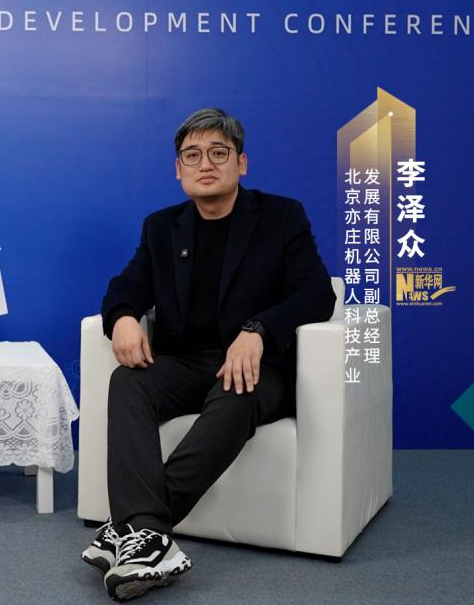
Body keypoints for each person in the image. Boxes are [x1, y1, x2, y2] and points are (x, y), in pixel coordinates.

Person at [83, 108, 336, 601]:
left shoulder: (281, 216)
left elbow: (315, 293)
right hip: (185, 363)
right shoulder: (161, 227)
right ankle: (149, 535)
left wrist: (258, 331)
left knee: (236, 389)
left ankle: (135, 529)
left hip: (257, 367)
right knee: (128, 381)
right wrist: (124, 317)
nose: (206, 164)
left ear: (242, 163)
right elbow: (127, 285)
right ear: (178, 168)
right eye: (192, 155)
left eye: (219, 153)